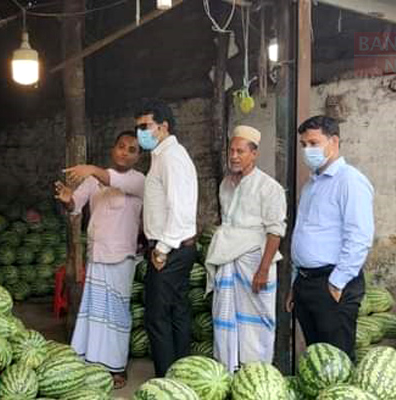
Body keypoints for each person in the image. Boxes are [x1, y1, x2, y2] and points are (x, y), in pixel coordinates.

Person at [55, 131, 144, 389]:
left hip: (122, 258)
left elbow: (114, 180)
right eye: (121, 147)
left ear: (138, 157)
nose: (125, 152)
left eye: (132, 149)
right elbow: (75, 206)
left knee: (116, 316)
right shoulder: (94, 182)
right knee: (94, 313)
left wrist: (91, 168)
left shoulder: (139, 181)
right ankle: (91, 362)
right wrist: (67, 200)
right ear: (113, 149)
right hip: (97, 255)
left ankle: (117, 368)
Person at [286, 115, 374, 361]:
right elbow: (303, 234)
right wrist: (296, 282)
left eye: (313, 143)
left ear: (334, 142)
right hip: (307, 283)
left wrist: (337, 282)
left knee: (337, 361)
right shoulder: (311, 185)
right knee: (317, 361)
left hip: (333, 283)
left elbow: (359, 236)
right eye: (304, 145)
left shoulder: (350, 181)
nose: (307, 151)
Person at [205, 125, 286, 372]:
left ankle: (257, 372)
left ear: (254, 154)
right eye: (231, 150)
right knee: (225, 318)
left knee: (257, 322)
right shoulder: (226, 185)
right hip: (227, 261)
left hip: (255, 265)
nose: (234, 156)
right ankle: (229, 370)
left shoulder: (269, 187)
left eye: (240, 151)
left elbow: (275, 231)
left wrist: (262, 270)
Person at [135, 99, 198, 377]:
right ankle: (179, 376)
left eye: (145, 126)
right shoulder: (162, 156)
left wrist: (161, 249)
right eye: (138, 127)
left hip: (170, 250)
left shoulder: (172, 158)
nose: (140, 132)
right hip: (172, 248)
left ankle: (166, 379)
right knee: (176, 313)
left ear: (163, 127)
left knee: (157, 317)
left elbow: (181, 208)